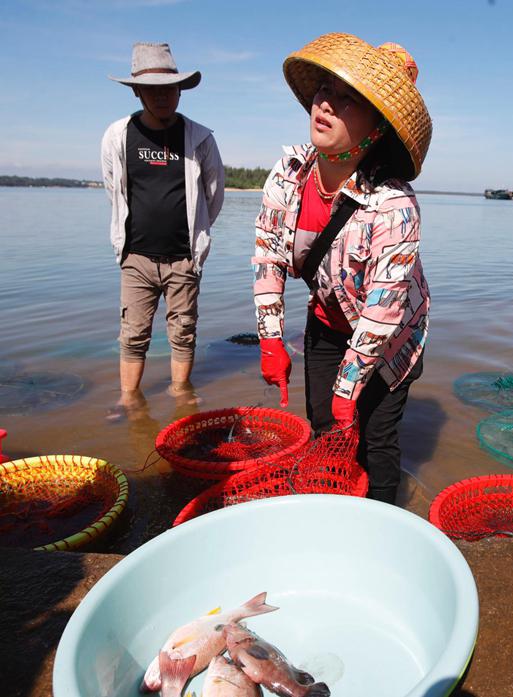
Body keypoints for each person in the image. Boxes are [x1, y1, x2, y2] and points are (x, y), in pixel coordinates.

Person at [253, 33, 431, 505]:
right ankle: (332, 512)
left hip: (391, 339)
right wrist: (271, 339)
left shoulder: (394, 206)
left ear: (378, 129)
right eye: (326, 91)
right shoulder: (289, 170)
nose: (326, 104)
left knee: (376, 439)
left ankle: (382, 524)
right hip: (328, 320)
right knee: (322, 428)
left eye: (348, 101)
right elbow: (270, 252)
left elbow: (381, 315)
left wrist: (349, 389)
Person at [101, 42, 224, 412]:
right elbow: (114, 190)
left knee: (183, 333)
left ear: (180, 90)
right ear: (137, 91)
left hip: (183, 258)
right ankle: (128, 401)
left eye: (168, 88)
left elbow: (214, 196)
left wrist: (195, 238)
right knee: (133, 334)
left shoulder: (200, 138)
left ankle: (179, 394)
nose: (162, 96)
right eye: (152, 89)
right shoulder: (117, 135)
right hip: (136, 257)